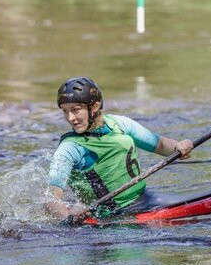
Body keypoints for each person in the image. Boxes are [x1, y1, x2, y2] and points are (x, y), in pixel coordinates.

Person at [46, 77, 194, 222]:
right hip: (111, 217)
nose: (70, 117)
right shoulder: (69, 148)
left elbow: (160, 144)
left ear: (95, 107)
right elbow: (50, 199)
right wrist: (68, 218)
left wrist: (178, 147)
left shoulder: (119, 124)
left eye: (75, 110)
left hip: (145, 200)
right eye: (65, 111)